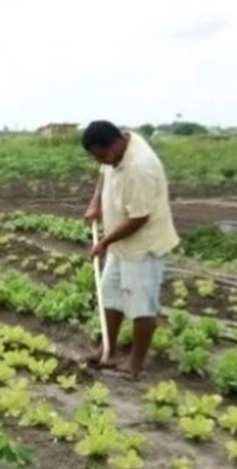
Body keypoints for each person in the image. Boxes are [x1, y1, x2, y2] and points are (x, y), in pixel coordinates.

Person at [81, 120, 179, 376]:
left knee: (140, 305)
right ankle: (109, 351)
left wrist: (104, 242)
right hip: (121, 242)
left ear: (115, 143)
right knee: (109, 294)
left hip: (143, 245)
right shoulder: (117, 150)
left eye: (103, 156)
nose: (103, 162)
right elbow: (104, 174)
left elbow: (139, 218)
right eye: (96, 158)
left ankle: (135, 363)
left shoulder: (140, 167)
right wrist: (96, 204)